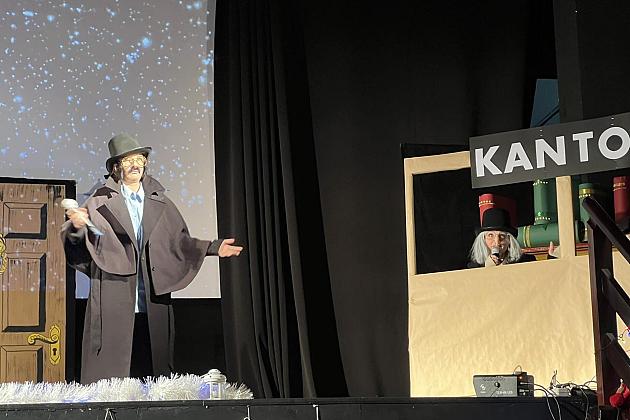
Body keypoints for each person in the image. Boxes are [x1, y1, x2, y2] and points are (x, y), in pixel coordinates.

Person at [61, 133, 243, 383]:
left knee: (154, 367)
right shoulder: (99, 201)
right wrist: (76, 228)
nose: (135, 165)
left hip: (152, 296)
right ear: (115, 168)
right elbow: (80, 249)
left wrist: (213, 247)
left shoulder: (160, 200)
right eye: (128, 160)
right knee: (112, 371)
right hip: (114, 294)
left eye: (140, 159)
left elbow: (179, 241)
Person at [467, 208, 536, 268]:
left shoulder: (526, 262)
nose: (497, 242)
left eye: (502, 236)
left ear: (509, 240)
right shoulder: (473, 267)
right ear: (483, 239)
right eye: (490, 235)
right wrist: (487, 269)